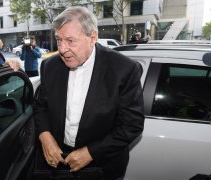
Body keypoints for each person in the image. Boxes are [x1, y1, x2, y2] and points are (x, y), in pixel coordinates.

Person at [33, 6, 144, 180]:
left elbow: (132, 125)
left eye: (70, 41)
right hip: (58, 163)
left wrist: (91, 153)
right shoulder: (49, 66)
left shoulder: (124, 69)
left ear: (93, 37)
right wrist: (45, 137)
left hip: (102, 166)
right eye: (59, 40)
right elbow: (40, 106)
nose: (62, 49)